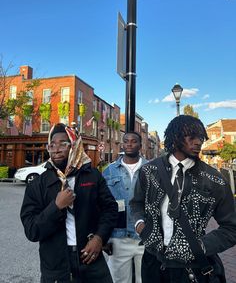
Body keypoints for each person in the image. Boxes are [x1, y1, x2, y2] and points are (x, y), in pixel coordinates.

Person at [130, 115, 236, 283]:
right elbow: (136, 203)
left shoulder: (213, 179)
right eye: (192, 136)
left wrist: (199, 247)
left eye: (201, 138)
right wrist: (141, 226)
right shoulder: (149, 171)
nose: (198, 142)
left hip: (192, 267)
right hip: (152, 262)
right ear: (176, 137)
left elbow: (231, 227)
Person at [20, 123, 118, 283]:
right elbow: (32, 231)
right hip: (56, 266)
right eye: (52, 145)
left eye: (63, 144)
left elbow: (110, 209)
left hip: (91, 261)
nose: (56, 149)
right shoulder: (37, 185)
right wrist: (56, 206)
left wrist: (100, 238)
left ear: (74, 145)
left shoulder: (92, 176)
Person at [103, 131, 148, 283]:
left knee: (147, 279)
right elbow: (102, 206)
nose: (129, 144)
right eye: (126, 141)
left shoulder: (151, 169)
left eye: (133, 141)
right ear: (122, 144)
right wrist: (104, 236)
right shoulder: (109, 171)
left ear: (140, 146)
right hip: (118, 238)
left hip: (145, 238)